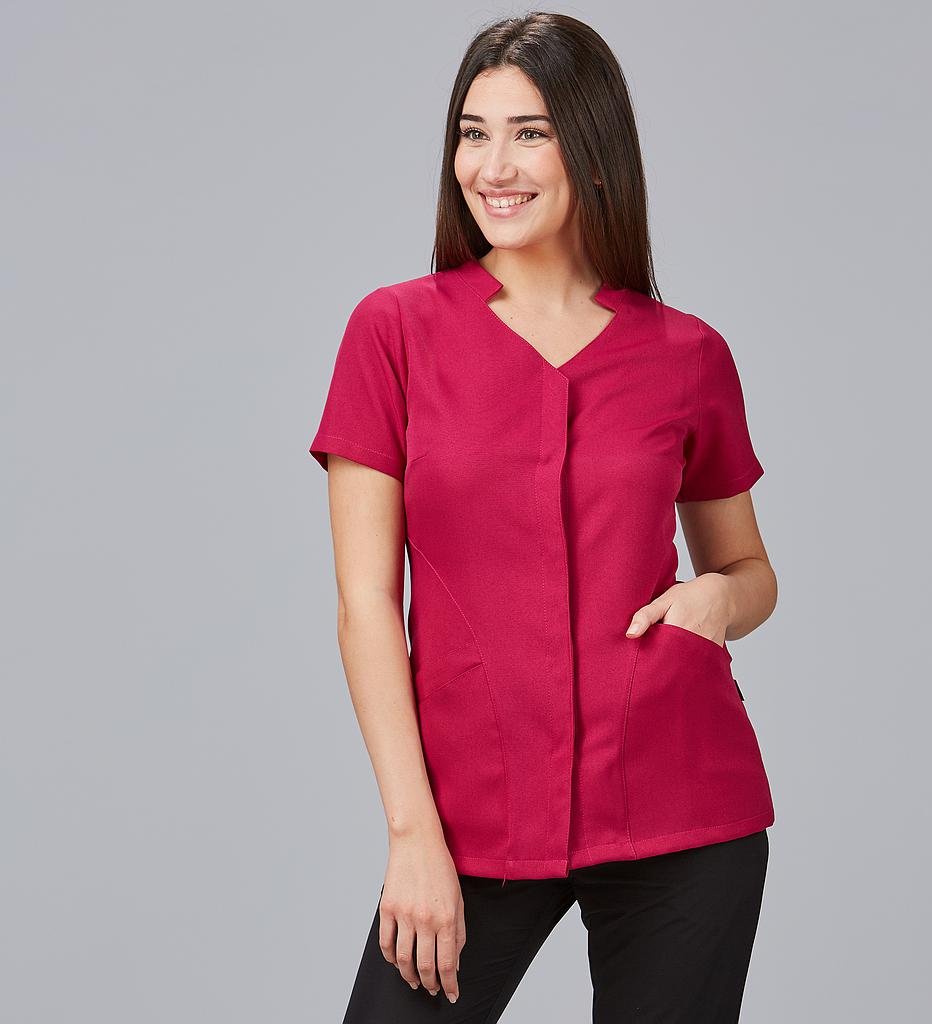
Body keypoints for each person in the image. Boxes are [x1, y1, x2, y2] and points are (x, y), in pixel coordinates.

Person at [308, 12, 777, 1022]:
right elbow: (363, 606)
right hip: (469, 817)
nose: (493, 166)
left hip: (680, 802)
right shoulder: (392, 332)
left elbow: (748, 571)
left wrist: (715, 603)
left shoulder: (687, 354)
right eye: (473, 134)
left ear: (592, 148)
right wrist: (412, 836)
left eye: (530, 133)